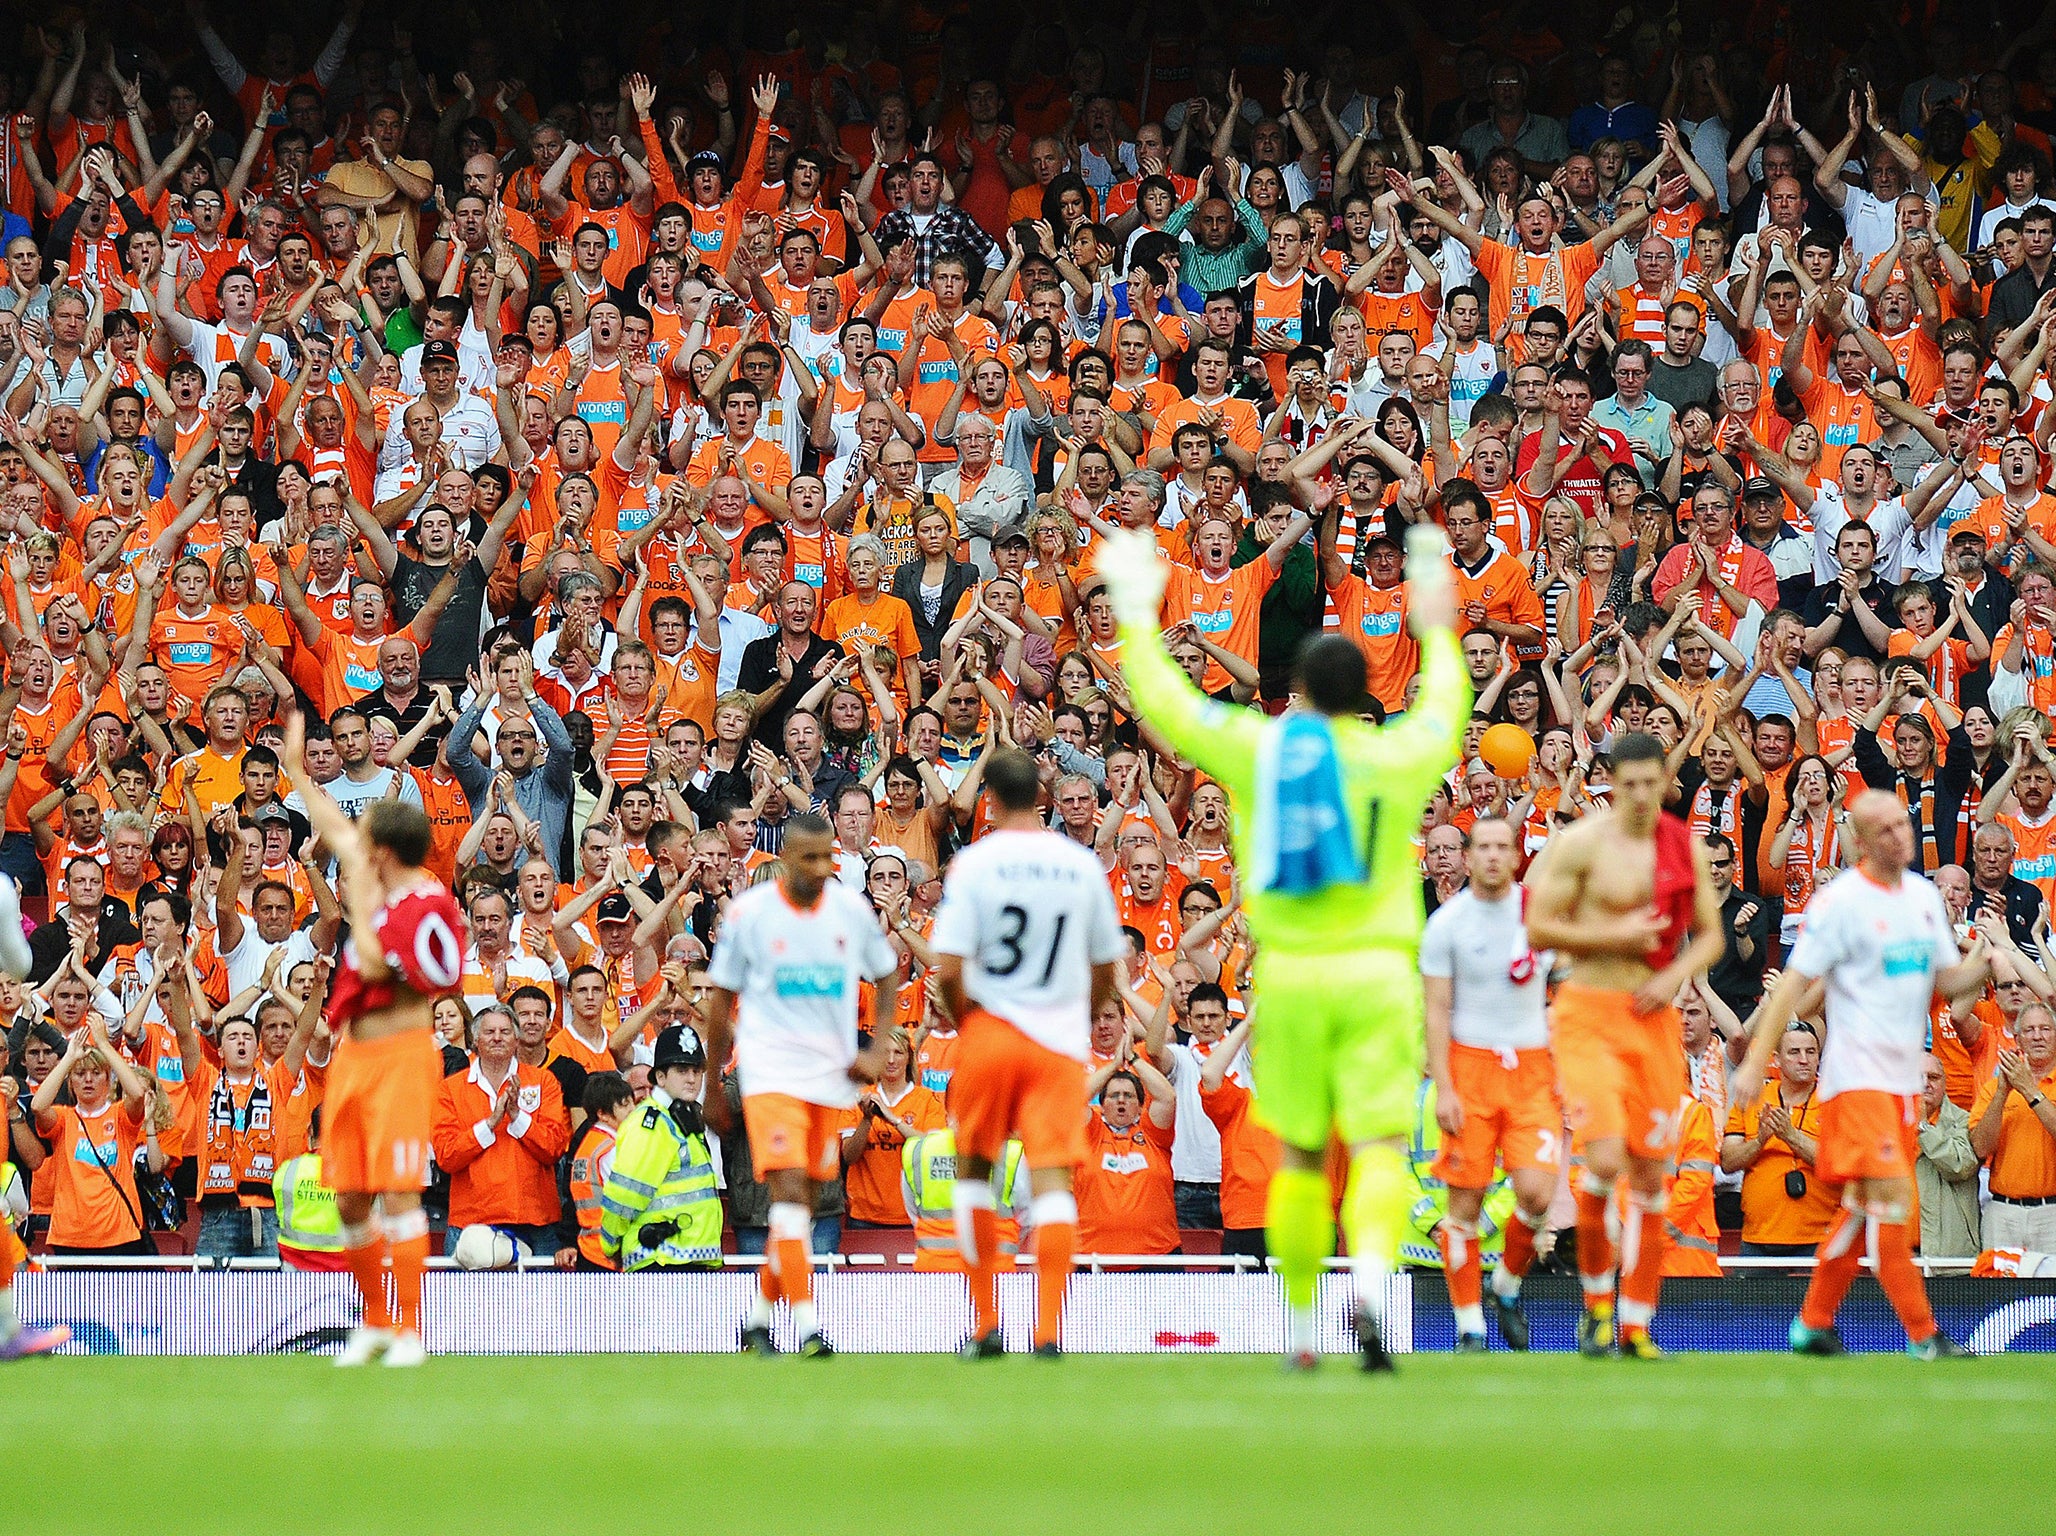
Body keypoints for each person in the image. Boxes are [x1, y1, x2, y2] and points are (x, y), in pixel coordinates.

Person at [1095, 522, 1469, 1371]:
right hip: (1379, 974)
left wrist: (1133, 604)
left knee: (1300, 1157)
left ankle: (1301, 1330)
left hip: (1290, 977)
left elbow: (1165, 700)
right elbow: (1450, 700)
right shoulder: (1400, 752)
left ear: (1299, 689)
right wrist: (1434, 614)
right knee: (1375, 1148)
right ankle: (1369, 1292)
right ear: (1364, 691)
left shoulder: (1261, 747)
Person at [1740, 790, 1992, 1358]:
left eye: (1904, 825)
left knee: (1863, 1208)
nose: (1900, 837)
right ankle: (1924, 1335)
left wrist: (1985, 958)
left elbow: (1947, 984)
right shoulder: (1840, 904)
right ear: (1858, 840)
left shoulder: (1925, 898)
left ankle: (1812, 1322)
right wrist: (1757, 1062)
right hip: (1856, 1079)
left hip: (1903, 1081)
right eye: (1884, 830)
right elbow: (1794, 993)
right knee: (1891, 1201)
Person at [1524, 732, 1727, 1359]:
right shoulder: (1582, 844)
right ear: (1611, 781)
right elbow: (1536, 926)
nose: (1640, 795)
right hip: (1588, 1013)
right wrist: (1616, 934)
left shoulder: (1683, 846)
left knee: (1650, 1174)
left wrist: (1673, 976)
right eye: (1628, 784)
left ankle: (1635, 1324)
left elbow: (1710, 935)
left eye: (1651, 783)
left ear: (1666, 780)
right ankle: (1595, 1303)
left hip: (1655, 1017)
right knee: (1604, 1160)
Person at [280, 713, 467, 1369]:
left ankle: (411, 1330)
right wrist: (298, 770)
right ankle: (377, 1321)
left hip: (401, 1055)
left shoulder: (429, 905)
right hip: (354, 1054)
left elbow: (432, 977)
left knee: (397, 1192)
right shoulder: (380, 888)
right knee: (350, 1192)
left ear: (384, 850)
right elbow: (329, 826)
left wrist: (362, 929)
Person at [931, 746, 1125, 1357]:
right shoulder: (1079, 865)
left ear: (987, 796)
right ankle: (1047, 1332)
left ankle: (987, 1323)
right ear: (1044, 795)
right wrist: (1083, 1016)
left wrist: (970, 1023)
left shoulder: (975, 865)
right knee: (1053, 1183)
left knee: (974, 1171)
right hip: (1057, 1040)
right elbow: (1104, 964)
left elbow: (949, 967)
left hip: (991, 1030)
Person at [701, 814, 899, 1356]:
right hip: (770, 1071)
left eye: (826, 857)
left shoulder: (850, 912)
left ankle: (759, 1318)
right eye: (808, 857)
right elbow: (720, 1004)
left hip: (828, 1076)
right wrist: (715, 1088)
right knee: (787, 1189)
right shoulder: (750, 915)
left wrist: (878, 1048)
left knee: (800, 1205)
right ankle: (809, 1328)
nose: (819, 868)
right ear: (785, 857)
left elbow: (887, 976)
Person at [1420, 815, 1559, 1351]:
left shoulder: (1537, 914)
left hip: (1531, 1069)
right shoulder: (1448, 924)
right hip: (1470, 1068)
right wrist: (1446, 1087)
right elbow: (1436, 1008)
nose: (1495, 856)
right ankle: (1470, 1326)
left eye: (1504, 846)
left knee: (1536, 1194)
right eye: (1484, 847)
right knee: (1464, 1205)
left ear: (1517, 855)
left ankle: (1506, 1283)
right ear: (1469, 856)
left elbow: (1565, 984)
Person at [598, 1025, 721, 1270]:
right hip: (662, 1261)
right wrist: (610, 1244)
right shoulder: (652, 1124)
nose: (692, 1078)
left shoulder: (682, 1119)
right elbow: (626, 1193)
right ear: (660, 1077)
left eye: (697, 1071)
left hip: (685, 1258)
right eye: (682, 1069)